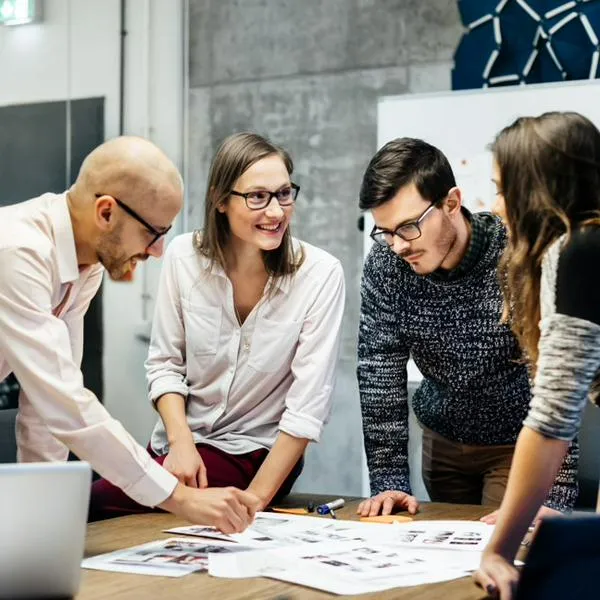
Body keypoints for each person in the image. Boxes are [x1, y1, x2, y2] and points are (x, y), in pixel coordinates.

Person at [0, 136, 259, 533]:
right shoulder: (19, 250)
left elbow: (46, 406)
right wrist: (179, 496)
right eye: (154, 233)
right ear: (106, 212)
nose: (158, 252)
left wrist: (40, 521)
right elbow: (66, 403)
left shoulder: (85, 267)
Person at [89, 132, 345, 519]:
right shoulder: (182, 258)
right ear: (221, 200)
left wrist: (255, 502)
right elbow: (164, 365)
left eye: (284, 193)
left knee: (90, 502)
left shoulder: (320, 274)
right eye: (257, 197)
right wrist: (181, 444)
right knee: (95, 498)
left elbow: (306, 408)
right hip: (178, 447)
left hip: (255, 456)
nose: (275, 212)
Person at [355, 137, 578, 519]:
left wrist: (553, 495)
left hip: (518, 443)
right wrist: (389, 478)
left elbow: (554, 377)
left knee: (504, 554)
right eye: (385, 231)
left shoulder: (515, 255)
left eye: (408, 227)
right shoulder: (386, 264)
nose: (397, 246)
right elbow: (379, 369)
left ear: (451, 203)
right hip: (442, 442)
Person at [474, 111, 600, 599]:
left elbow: (550, 422)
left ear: (539, 191)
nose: (497, 206)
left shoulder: (581, 251)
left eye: (504, 191)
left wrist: (498, 551)